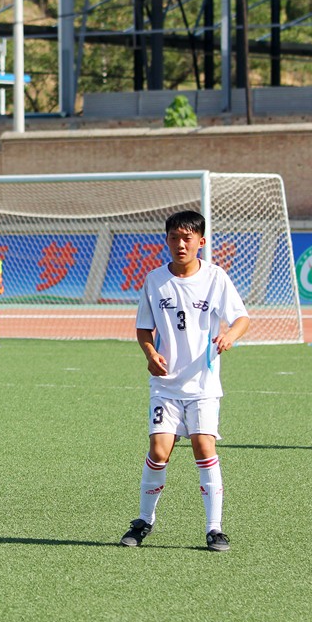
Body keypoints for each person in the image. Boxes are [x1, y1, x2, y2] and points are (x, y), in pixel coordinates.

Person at [120, 210, 250, 552]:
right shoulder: (154, 280)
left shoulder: (216, 277)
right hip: (166, 386)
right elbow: (143, 328)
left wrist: (230, 336)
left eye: (188, 238)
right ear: (166, 240)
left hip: (203, 386)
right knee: (159, 451)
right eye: (175, 237)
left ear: (201, 242)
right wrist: (150, 355)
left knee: (204, 447)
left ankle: (214, 528)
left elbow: (241, 318)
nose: (181, 244)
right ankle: (144, 521)